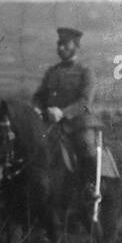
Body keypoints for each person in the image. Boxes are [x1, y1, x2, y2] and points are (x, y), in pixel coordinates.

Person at [32, 26, 99, 197]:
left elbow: (85, 101)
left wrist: (63, 113)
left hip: (78, 123)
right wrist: (37, 109)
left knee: (86, 145)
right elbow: (39, 96)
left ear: (76, 46)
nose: (60, 48)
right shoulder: (52, 72)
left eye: (65, 44)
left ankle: (90, 186)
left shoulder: (85, 71)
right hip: (51, 122)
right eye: (59, 44)